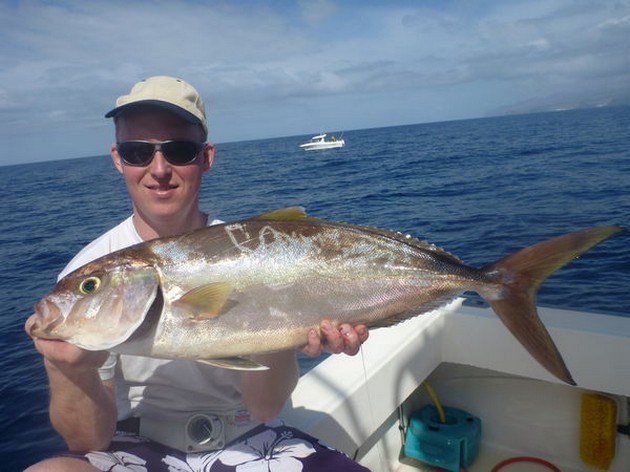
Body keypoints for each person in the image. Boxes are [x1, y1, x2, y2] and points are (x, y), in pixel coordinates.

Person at [25, 76, 370, 472]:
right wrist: (69, 369)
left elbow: (263, 408)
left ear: (206, 157)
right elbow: (87, 441)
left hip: (250, 438)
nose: (158, 169)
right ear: (117, 158)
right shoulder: (92, 265)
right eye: (138, 152)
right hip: (133, 446)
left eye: (179, 151)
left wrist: (287, 326)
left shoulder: (256, 253)